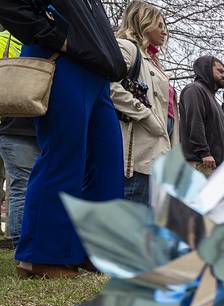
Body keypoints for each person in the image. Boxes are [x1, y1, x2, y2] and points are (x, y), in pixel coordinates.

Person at [1, 0, 127, 278]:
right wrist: (59, 39)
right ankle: (41, 255)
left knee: (107, 165)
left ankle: (89, 251)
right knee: (63, 156)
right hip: (60, 62)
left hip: (99, 74)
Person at [111, 1, 177, 205]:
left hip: (158, 151)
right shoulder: (127, 48)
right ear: (143, 22)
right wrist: (146, 115)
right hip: (137, 151)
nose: (164, 32)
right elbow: (109, 84)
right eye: (159, 25)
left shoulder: (155, 61)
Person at [0, 31, 38, 249]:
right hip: (15, 130)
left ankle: (23, 238)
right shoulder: (7, 40)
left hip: (27, 129)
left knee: (23, 186)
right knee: (21, 186)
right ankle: (18, 240)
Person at [179, 56, 224, 177]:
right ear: (206, 69)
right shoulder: (195, 90)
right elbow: (195, 121)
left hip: (214, 166)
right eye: (220, 71)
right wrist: (204, 152)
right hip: (201, 163)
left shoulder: (212, 98)